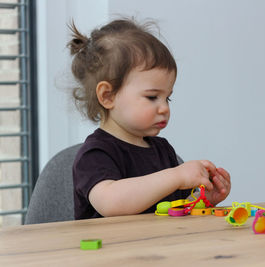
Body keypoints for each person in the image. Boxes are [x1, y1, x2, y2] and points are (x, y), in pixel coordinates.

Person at [69, 18, 231, 220]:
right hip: (110, 250)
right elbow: (111, 203)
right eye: (152, 97)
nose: (164, 108)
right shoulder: (95, 155)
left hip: (159, 249)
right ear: (108, 96)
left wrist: (203, 199)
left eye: (168, 97)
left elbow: (172, 210)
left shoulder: (163, 151)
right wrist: (176, 176)